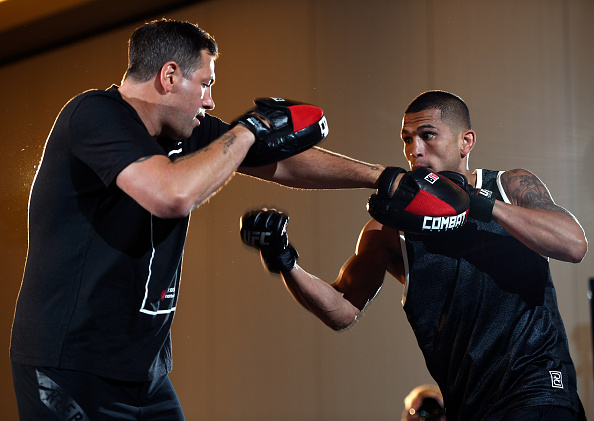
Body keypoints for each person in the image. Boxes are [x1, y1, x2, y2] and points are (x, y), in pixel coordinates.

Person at [9, 19, 384, 420]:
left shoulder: (185, 133)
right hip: (69, 368)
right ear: (170, 75)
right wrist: (250, 128)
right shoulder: (94, 114)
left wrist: (383, 178)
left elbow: (282, 164)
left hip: (144, 372)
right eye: (205, 84)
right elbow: (171, 195)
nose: (210, 101)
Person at [240, 91, 589, 420]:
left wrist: (478, 205)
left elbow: (573, 245)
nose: (415, 150)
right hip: (469, 406)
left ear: (465, 141)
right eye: (407, 139)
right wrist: (284, 259)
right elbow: (342, 308)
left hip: (539, 387)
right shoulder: (389, 230)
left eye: (428, 135)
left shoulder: (508, 185)